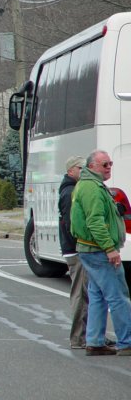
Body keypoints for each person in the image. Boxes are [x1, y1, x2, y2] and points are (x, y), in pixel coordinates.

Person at [70, 149, 131, 356]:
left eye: (110, 164)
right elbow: (95, 222)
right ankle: (127, 342)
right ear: (91, 166)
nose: (109, 168)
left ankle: (94, 341)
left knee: (98, 296)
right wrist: (109, 248)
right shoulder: (92, 188)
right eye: (105, 164)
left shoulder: (88, 185)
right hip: (98, 251)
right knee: (118, 296)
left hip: (91, 249)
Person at [59, 155, 90, 349]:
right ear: (71, 170)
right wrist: (81, 245)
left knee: (88, 293)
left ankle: (91, 335)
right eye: (81, 168)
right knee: (80, 294)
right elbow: (72, 224)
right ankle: (78, 338)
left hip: (76, 248)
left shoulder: (73, 189)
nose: (84, 171)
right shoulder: (69, 192)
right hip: (76, 249)